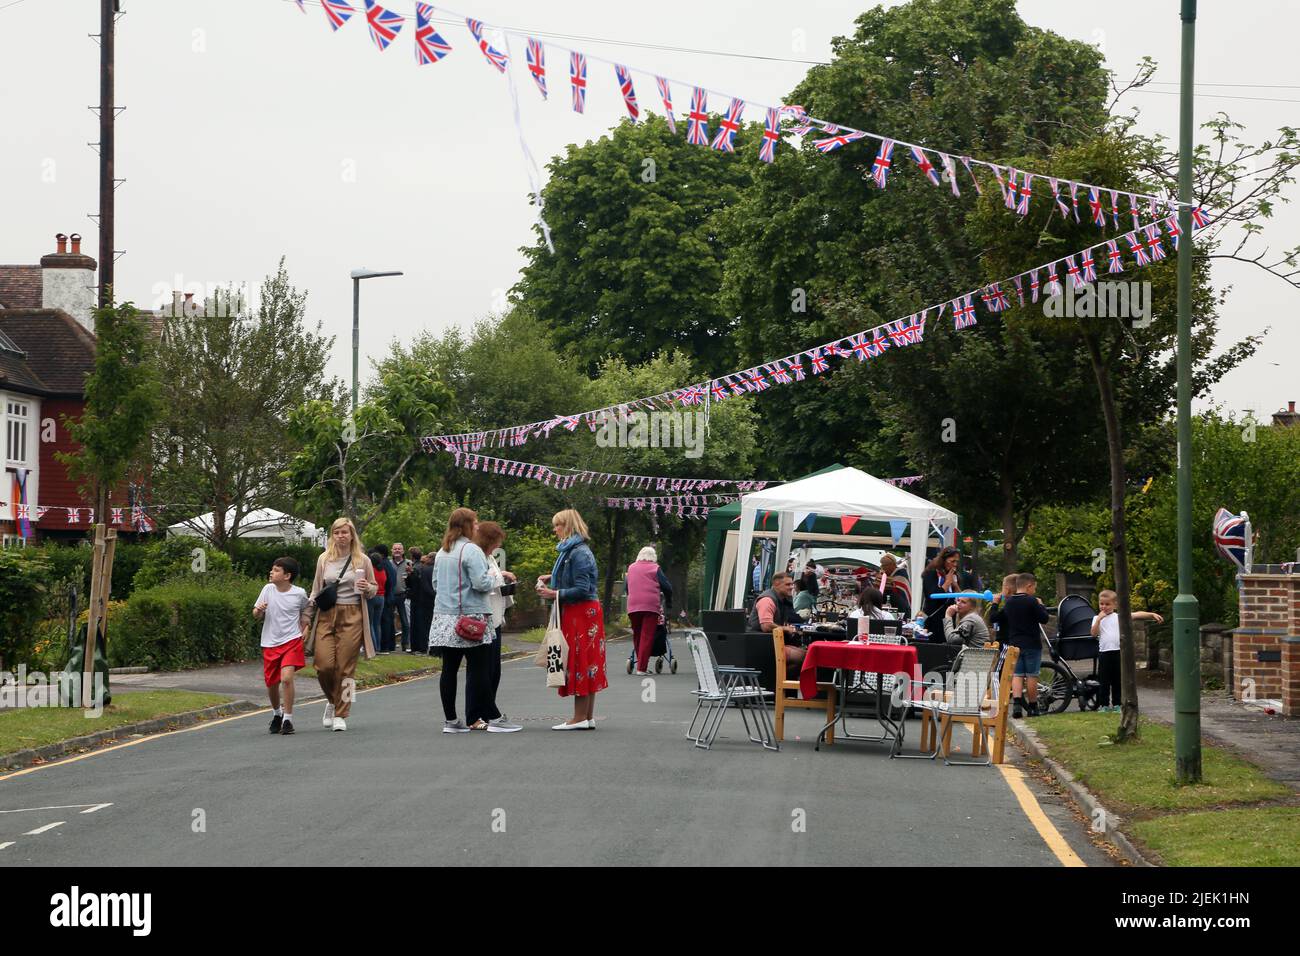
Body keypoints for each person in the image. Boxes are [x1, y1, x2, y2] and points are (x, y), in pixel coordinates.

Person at [430, 508, 518, 733]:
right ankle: (495, 718)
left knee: (449, 669)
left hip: (444, 617)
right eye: (475, 522)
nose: (478, 526)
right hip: (471, 616)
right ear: (466, 525)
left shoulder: (443, 550)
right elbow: (480, 583)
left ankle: (451, 721)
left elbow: (435, 584)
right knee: (479, 668)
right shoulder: (471, 550)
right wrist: (494, 577)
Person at [537, 508, 606, 730]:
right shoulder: (575, 550)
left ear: (567, 526)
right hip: (585, 612)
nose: (554, 529)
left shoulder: (577, 552)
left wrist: (553, 593)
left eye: (557, 525)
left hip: (581, 612)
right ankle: (587, 716)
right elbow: (578, 578)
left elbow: (582, 589)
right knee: (588, 662)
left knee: (579, 661)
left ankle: (578, 718)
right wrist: (552, 577)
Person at [308, 518, 379, 732]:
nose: (340, 536)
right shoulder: (324, 559)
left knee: (346, 668)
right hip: (327, 614)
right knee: (323, 665)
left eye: (344, 532)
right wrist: (306, 616)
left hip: (353, 614)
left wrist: (368, 587)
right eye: (337, 532)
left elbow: (374, 588)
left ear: (352, 535)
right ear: (332, 535)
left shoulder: (362, 560)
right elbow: (315, 589)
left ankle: (342, 713)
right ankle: (332, 700)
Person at [253, 556, 311, 736]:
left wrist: (306, 626)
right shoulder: (268, 589)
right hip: (270, 641)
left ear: (287, 576)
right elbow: (255, 614)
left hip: (292, 640)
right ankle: (277, 713)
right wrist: (259, 610)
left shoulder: (299, 593)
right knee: (271, 683)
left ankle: (288, 719)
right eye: (272, 569)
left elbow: (306, 610)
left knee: (286, 678)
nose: (271, 572)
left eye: (276, 570)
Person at [988, 572, 1050, 718]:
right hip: (1032, 644)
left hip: (1014, 645)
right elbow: (1044, 619)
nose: (1034, 590)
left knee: (1017, 675)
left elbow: (995, 617)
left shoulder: (1009, 602)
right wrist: (1041, 606)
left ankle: (1016, 705)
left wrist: (995, 604)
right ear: (1029, 586)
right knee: (1032, 676)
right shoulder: (1032, 601)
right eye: (1034, 587)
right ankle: (1033, 707)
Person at [1092, 589, 1164, 712]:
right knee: (1104, 680)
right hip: (1104, 653)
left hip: (1118, 653)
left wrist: (1151, 615)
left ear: (1115, 605)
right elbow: (1094, 633)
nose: (1104, 606)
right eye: (1101, 604)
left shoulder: (1119, 617)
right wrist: (1099, 620)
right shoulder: (1096, 618)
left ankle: (1117, 704)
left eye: (1107, 604)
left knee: (1117, 680)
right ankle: (1103, 705)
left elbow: (1136, 614)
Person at [475, 521, 519, 717]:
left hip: (496, 617)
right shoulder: (478, 556)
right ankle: (484, 711)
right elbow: (481, 581)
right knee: (485, 670)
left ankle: (489, 708)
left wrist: (503, 576)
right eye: (496, 542)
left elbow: (492, 577)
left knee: (494, 669)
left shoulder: (490, 556)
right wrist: (498, 578)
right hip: (485, 618)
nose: (498, 546)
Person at [626, 546, 673, 675]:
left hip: (633, 606)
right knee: (647, 636)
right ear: (653, 557)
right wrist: (668, 602)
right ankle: (641, 668)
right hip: (650, 606)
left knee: (637, 634)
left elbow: (627, 586)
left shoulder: (631, 568)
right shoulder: (655, 568)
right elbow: (667, 587)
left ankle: (640, 664)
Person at [747, 572, 801, 670]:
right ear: (776, 584)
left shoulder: (783, 600)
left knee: (806, 657)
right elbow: (766, 626)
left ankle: (781, 682)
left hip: (772, 644)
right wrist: (786, 629)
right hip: (761, 646)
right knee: (806, 657)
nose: (791, 587)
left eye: (792, 584)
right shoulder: (767, 600)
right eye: (788, 584)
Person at [921, 546, 962, 637]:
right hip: (934, 620)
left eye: (957, 562)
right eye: (952, 561)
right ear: (943, 560)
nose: (955, 564)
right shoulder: (931, 573)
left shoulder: (953, 575)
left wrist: (955, 584)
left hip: (951, 619)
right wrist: (947, 582)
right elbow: (933, 597)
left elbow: (960, 597)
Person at [367, 549, 388, 654]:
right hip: (382, 597)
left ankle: (373, 647)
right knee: (377, 623)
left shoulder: (372, 571)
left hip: (372, 596)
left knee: (370, 623)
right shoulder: (383, 571)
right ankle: (378, 646)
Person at [391, 542, 410, 651]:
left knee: (405, 621)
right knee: (390, 620)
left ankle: (405, 643)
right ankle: (391, 644)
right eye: (395, 549)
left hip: (403, 595)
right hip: (391, 595)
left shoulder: (408, 564)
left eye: (399, 549)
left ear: (403, 551)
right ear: (392, 551)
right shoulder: (389, 563)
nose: (397, 551)